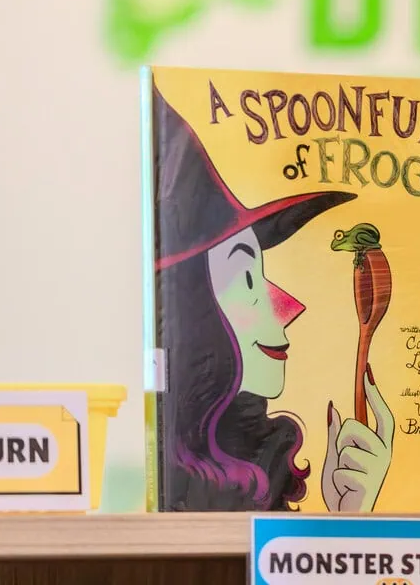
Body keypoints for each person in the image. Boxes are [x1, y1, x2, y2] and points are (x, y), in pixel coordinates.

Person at [152, 86, 393, 511]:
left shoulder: (259, 468)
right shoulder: (182, 494)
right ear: (192, 307)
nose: (289, 309)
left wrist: (349, 520)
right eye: (247, 279)